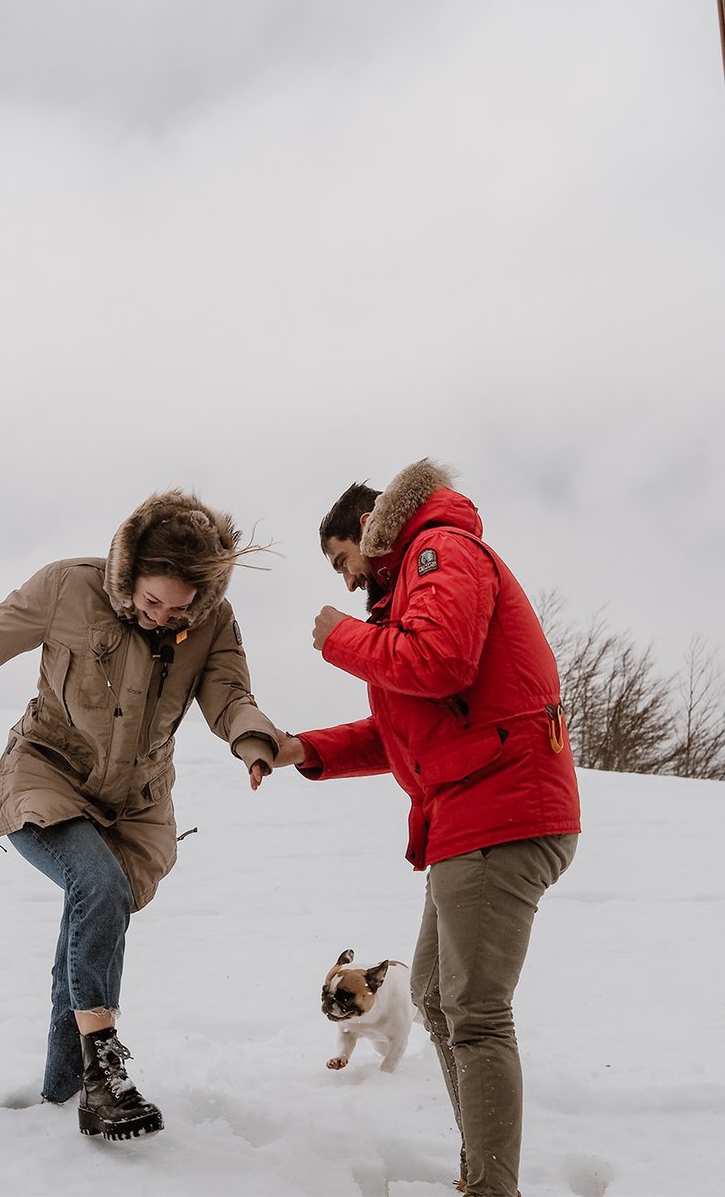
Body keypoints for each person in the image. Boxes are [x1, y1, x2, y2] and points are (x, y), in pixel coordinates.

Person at [0, 489, 279, 1142]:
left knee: (96, 913)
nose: (159, 618)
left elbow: (229, 696)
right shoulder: (67, 589)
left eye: (177, 609)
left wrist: (254, 741)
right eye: (149, 601)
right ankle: (104, 1069)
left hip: (136, 803)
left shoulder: (213, 623)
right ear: (127, 573)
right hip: (46, 773)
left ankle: (62, 1098)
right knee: (96, 888)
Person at [273, 458, 581, 1197]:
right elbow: (400, 734)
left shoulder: (441, 551)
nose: (345, 581)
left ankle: (489, 1189)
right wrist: (301, 750)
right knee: (440, 1003)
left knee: (473, 1013)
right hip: (469, 820)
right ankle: (481, 1177)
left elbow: (439, 663)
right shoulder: (409, 589)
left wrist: (339, 638)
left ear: (368, 532)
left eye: (343, 560)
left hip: (502, 813)